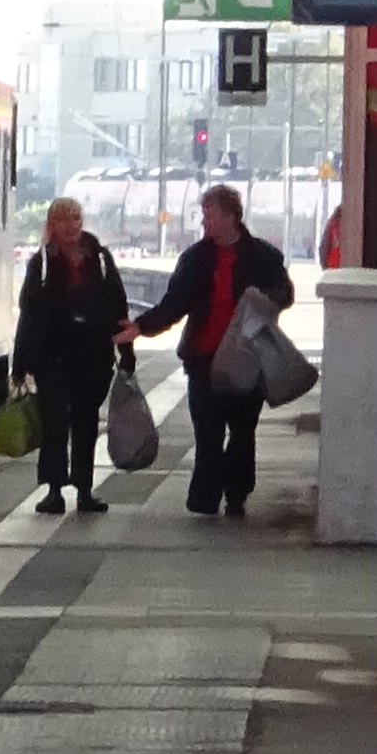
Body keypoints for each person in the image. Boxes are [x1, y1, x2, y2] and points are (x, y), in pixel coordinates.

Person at [136, 182, 301, 517]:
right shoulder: (196, 258)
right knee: (208, 433)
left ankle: (236, 493)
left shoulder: (263, 256)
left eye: (209, 215)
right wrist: (141, 326)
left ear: (230, 217)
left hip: (248, 358)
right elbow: (176, 302)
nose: (204, 222)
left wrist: (264, 300)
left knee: (242, 431)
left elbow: (285, 294)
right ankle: (206, 498)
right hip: (203, 357)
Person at [10, 197, 132, 514]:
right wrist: (20, 363)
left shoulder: (100, 258)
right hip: (52, 356)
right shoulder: (42, 263)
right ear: (51, 225)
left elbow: (118, 306)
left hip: (93, 355)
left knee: (86, 423)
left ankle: (84, 489)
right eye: (63, 219)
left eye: (76, 218)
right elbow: (29, 314)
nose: (71, 225)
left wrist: (126, 351)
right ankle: (54, 490)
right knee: (54, 424)